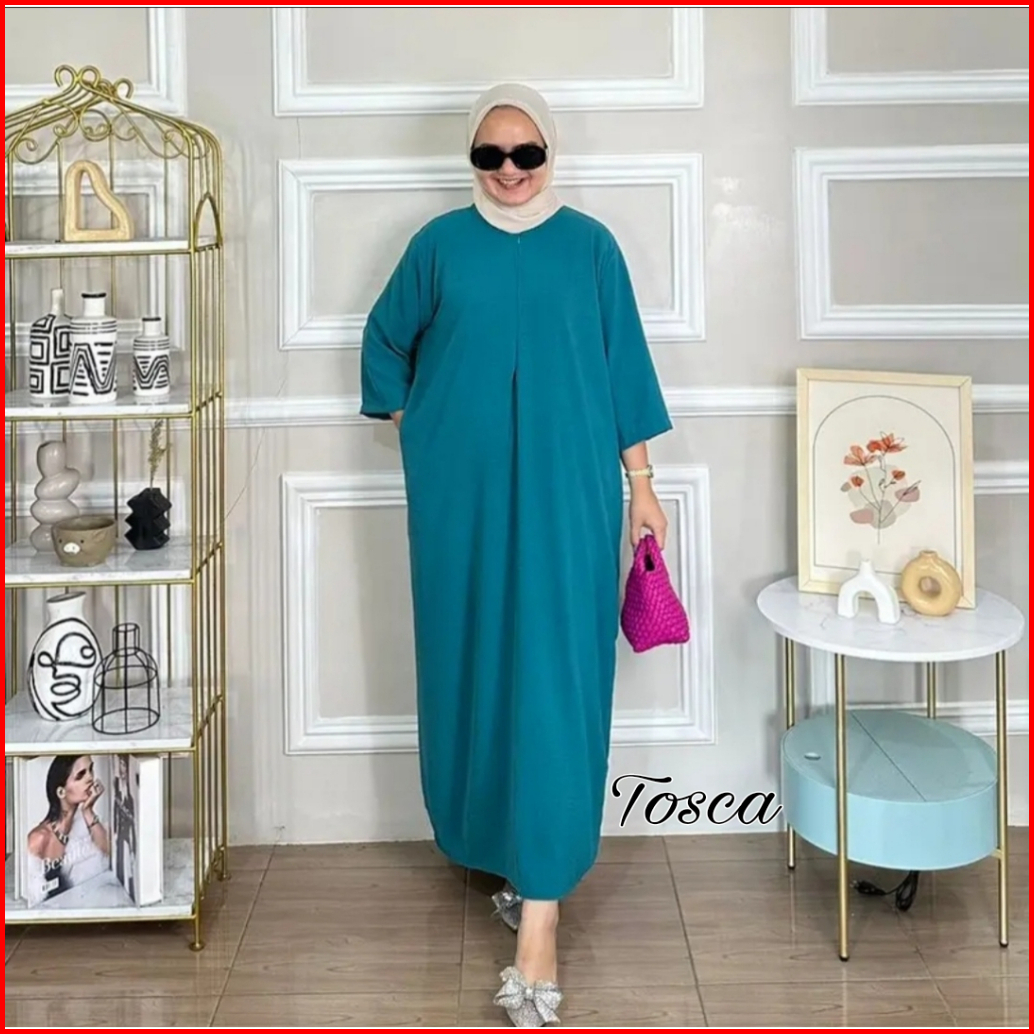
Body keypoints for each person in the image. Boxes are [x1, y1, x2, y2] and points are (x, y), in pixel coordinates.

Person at [361, 83, 672, 1027]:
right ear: (472, 160)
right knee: (476, 669)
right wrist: (431, 433)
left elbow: (623, 371)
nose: (508, 171)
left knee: (556, 680)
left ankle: (541, 917)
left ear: (551, 154)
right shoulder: (438, 247)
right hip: (461, 505)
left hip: (571, 500)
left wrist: (643, 484)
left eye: (526, 154)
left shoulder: (592, 247)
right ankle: (511, 858)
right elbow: (385, 344)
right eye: (489, 156)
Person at [26, 754, 110, 908]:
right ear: (61, 792)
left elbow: (109, 852)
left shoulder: (85, 822)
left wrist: (88, 811)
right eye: (80, 775)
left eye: (91, 770)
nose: (90, 778)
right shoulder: (38, 838)